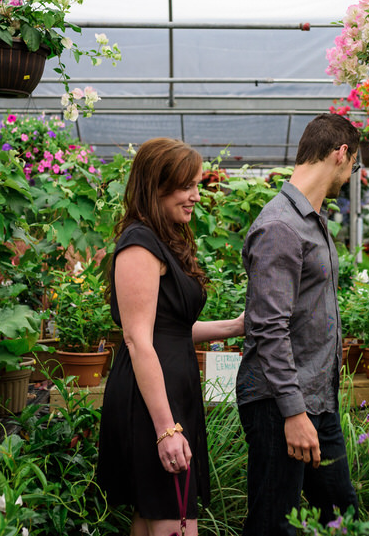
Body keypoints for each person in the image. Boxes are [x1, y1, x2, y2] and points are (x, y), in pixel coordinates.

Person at [97, 138, 244, 536]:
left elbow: (172, 330)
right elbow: (138, 340)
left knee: (153, 520)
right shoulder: (139, 245)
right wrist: (167, 429)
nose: (196, 196)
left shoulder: (162, 241)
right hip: (151, 406)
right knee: (175, 523)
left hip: (168, 399)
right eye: (187, 186)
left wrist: (235, 325)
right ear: (156, 185)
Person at [236, 114, 361, 536]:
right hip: (281, 404)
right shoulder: (280, 226)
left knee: (341, 514)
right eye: (355, 165)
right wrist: (293, 412)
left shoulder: (309, 219)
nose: (351, 175)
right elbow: (269, 328)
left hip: (314, 399)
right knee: (275, 525)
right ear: (341, 153)